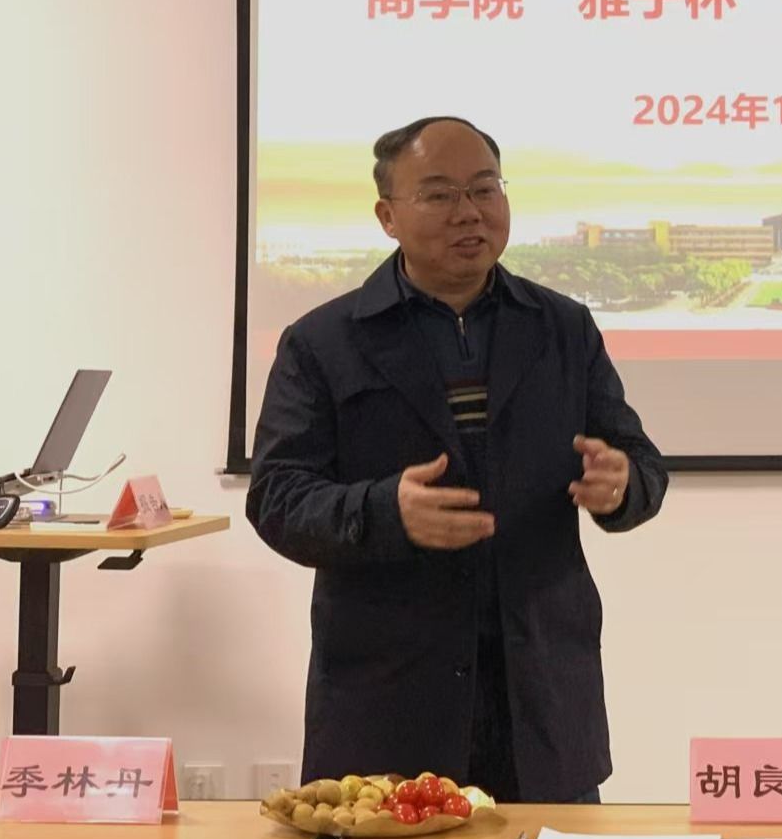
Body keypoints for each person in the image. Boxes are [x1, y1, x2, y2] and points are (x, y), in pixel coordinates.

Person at [247, 115, 666, 803]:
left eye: (485, 189)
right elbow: (277, 498)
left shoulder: (563, 327)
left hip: (541, 700)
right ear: (387, 216)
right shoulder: (323, 342)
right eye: (440, 194)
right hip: (389, 705)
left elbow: (642, 464)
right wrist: (387, 511)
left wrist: (621, 485)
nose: (469, 212)